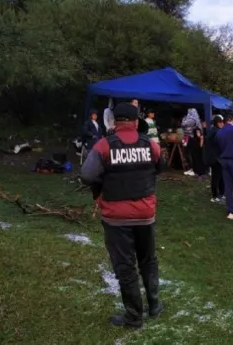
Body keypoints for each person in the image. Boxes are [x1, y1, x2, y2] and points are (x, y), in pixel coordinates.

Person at [80, 102, 165, 328]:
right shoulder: (151, 145)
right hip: (146, 214)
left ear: (115, 122)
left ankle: (134, 316)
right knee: (148, 259)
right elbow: (160, 166)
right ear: (136, 121)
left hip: (116, 218)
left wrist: (99, 194)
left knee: (125, 266)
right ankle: (154, 304)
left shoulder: (104, 145)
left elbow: (87, 175)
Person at [205, 115, 225, 203]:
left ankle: (221, 193)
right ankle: (215, 196)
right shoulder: (216, 132)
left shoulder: (214, 130)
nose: (223, 124)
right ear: (218, 123)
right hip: (216, 158)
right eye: (221, 122)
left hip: (216, 157)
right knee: (216, 177)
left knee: (220, 176)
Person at [181, 108, 202, 176]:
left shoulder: (193, 119)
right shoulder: (197, 119)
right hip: (191, 138)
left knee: (190, 154)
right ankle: (192, 168)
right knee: (189, 153)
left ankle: (194, 169)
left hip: (192, 138)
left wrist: (184, 120)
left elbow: (183, 124)